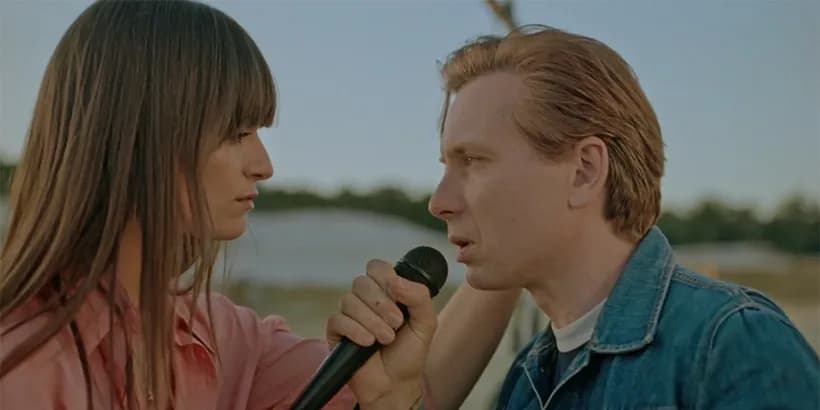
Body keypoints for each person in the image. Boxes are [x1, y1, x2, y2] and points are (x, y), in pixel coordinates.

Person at [327, 25, 820, 409]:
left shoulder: (730, 344)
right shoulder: (528, 375)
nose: (439, 201)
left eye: (473, 161)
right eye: (446, 166)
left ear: (584, 170)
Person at [0, 1, 362, 408]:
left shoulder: (222, 336)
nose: (264, 167)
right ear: (142, 134)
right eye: (237, 133)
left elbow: (375, 388)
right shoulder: (27, 373)